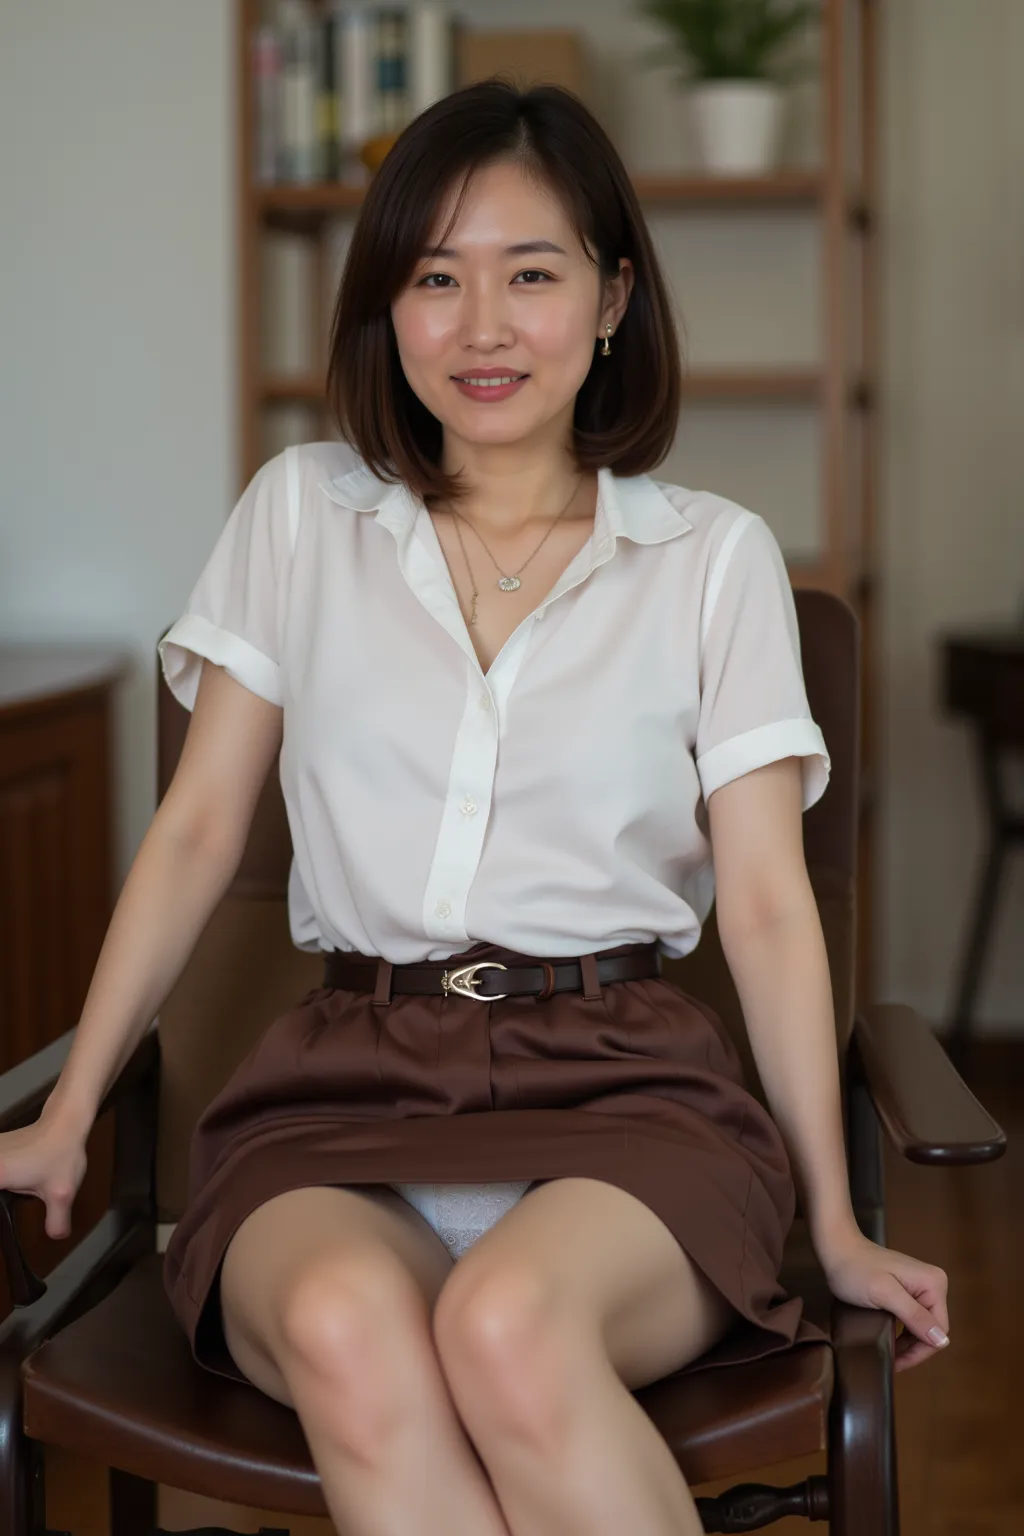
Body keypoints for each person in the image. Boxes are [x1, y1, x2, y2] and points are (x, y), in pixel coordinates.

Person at [0, 79, 948, 1536]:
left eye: (531, 272)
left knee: (509, 1328)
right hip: (342, 1090)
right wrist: (68, 1119)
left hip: (626, 1095)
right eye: (435, 277)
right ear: (385, 305)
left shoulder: (713, 559)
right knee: (347, 1333)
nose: (483, 326)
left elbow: (764, 903)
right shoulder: (299, 518)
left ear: (615, 295)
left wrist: (832, 1217)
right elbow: (196, 834)